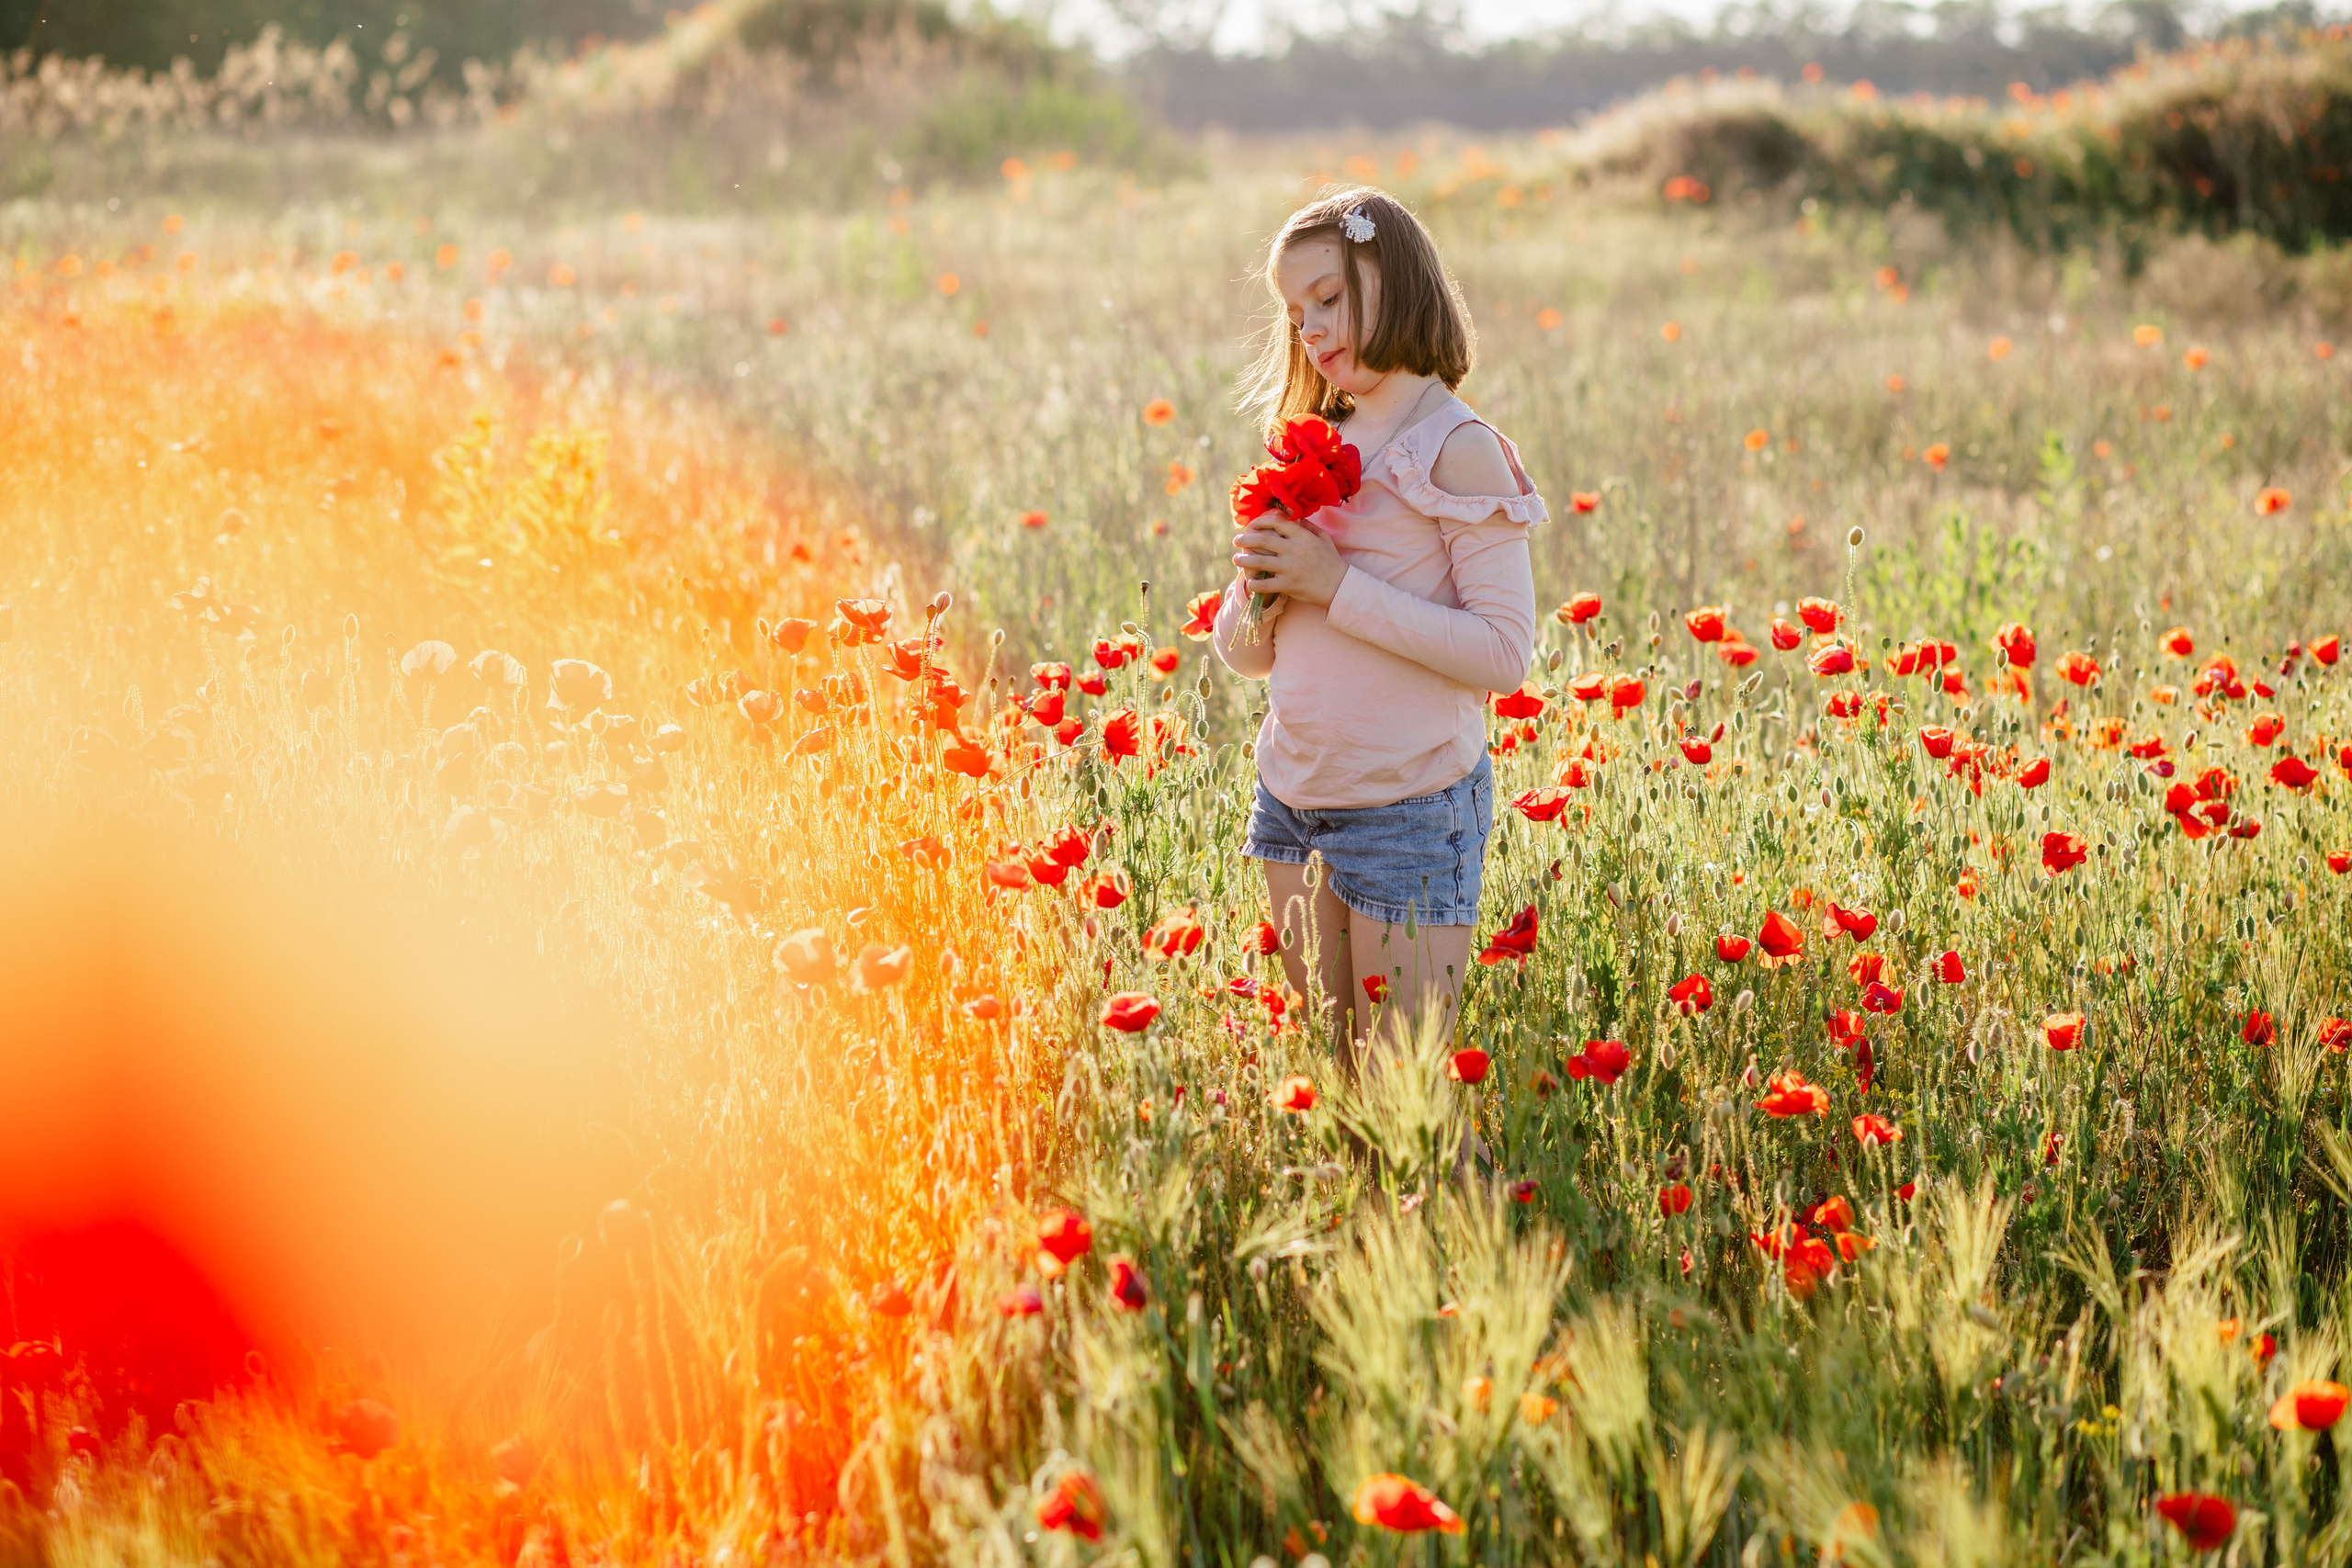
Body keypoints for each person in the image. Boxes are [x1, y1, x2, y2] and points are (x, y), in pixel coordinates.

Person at [1213, 186, 1544, 1067]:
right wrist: (1261, 584)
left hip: (1409, 809)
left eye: (1328, 298)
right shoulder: (1314, 439)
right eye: (1295, 315)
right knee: (1335, 1078)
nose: (1311, 329)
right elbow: (1245, 657)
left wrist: (1334, 584)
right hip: (1293, 800)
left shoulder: (1456, 447)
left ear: (1393, 279)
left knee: (1405, 1091)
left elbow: (1504, 653)